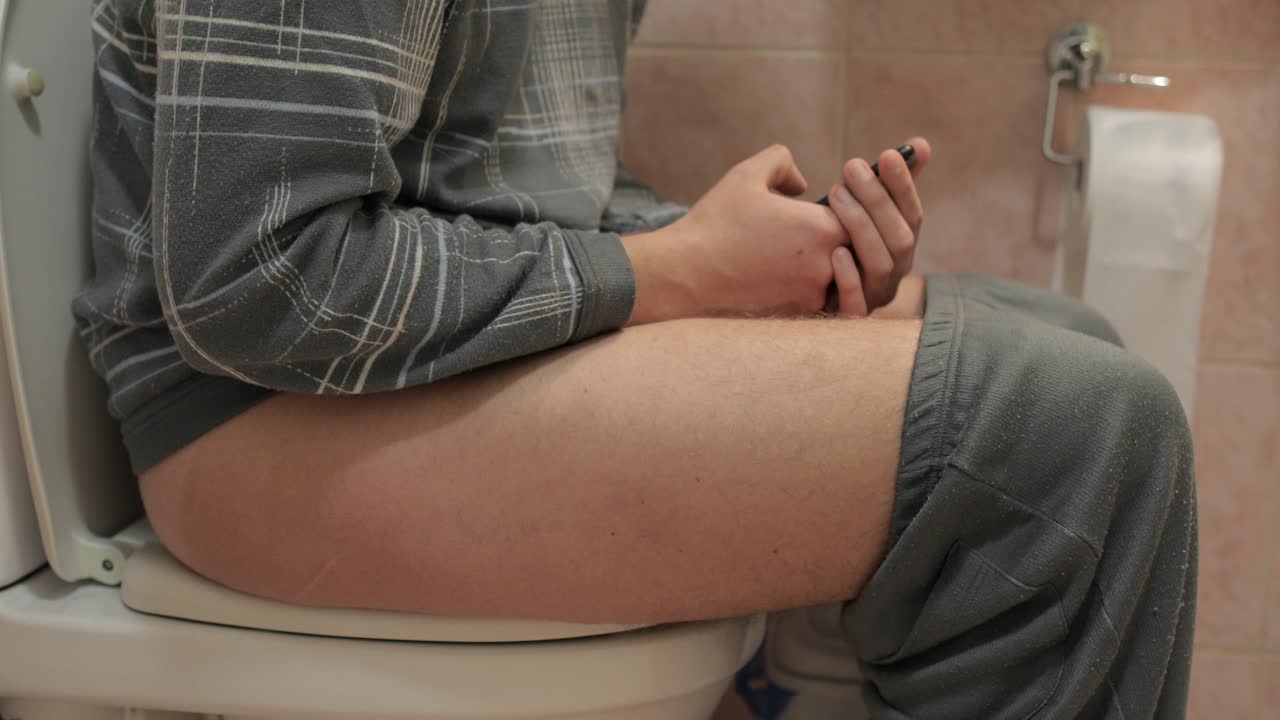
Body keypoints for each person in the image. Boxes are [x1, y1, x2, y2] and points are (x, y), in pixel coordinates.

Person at [77, 1, 1197, 717]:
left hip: (392, 371)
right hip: (254, 416)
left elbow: (488, 184)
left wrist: (755, 257)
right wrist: (675, 272)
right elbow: (255, 274)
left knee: (1062, 347)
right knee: (1072, 431)